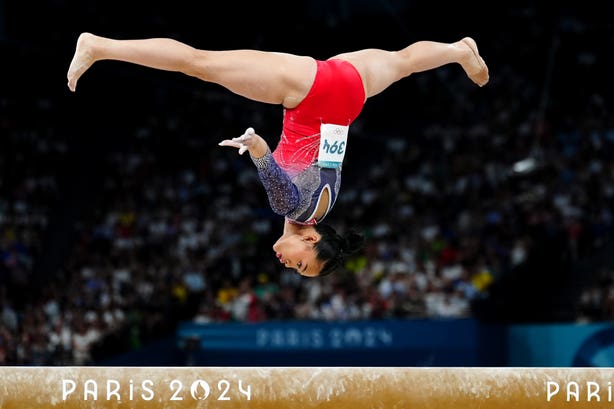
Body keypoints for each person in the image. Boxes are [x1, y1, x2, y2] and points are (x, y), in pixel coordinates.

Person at [66, 32, 489, 278]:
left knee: (403, 61)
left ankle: (457, 50)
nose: (289, 266)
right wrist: (253, 145)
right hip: (307, 92)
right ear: (311, 240)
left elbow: (323, 146)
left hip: (350, 94)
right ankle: (99, 47)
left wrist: (270, 145)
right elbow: (269, 164)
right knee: (199, 63)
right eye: (302, 266)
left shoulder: (324, 206)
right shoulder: (289, 206)